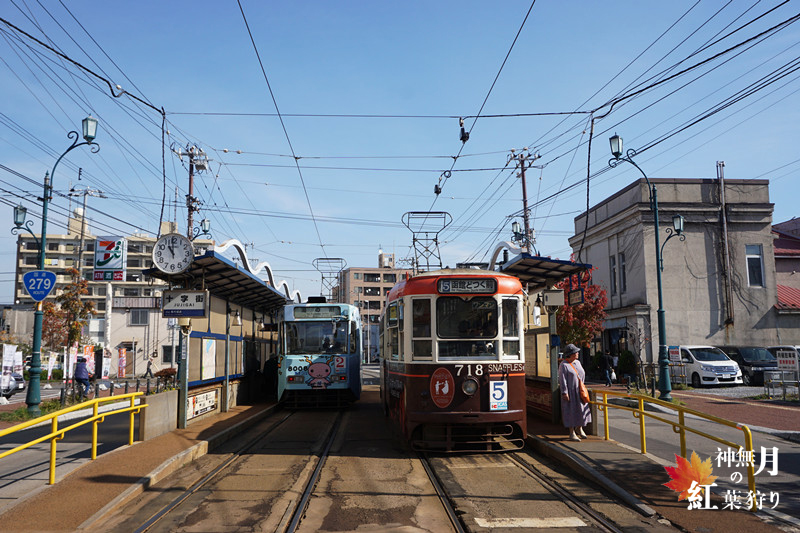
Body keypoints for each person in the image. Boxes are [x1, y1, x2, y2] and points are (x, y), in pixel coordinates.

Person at [558, 343, 591, 442]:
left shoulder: (578, 363)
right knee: (570, 411)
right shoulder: (563, 365)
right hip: (570, 392)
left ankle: (579, 428)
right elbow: (562, 380)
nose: (577, 353)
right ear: (570, 354)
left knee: (581, 410)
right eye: (575, 352)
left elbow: (582, 375)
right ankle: (571, 432)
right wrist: (565, 392)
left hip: (579, 391)